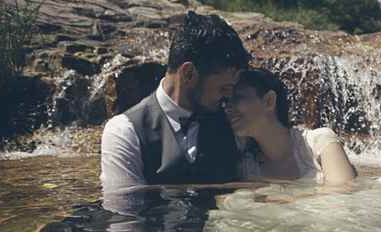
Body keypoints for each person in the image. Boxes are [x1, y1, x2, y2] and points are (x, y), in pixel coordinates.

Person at [100, 12, 250, 194]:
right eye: (223, 88)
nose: (229, 96)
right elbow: (125, 215)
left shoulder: (235, 122)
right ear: (188, 73)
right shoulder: (125, 132)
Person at [224, 68, 357, 186]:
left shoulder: (321, 143)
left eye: (238, 98)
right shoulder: (246, 165)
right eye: (227, 101)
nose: (227, 107)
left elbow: (343, 197)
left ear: (269, 101)